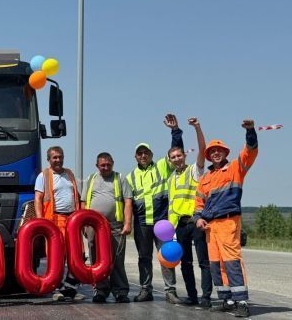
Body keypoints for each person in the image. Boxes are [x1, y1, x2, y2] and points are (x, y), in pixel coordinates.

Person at [194, 119, 258, 318]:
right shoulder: (204, 179)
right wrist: (198, 219)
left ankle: (242, 301)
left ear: (224, 153)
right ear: (209, 155)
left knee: (232, 261)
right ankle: (227, 299)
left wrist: (250, 131)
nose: (215, 153)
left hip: (229, 222)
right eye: (212, 151)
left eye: (219, 150)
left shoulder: (235, 169)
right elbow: (198, 204)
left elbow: (250, 152)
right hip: (210, 227)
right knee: (216, 263)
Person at [127, 113, 183, 303]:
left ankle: (170, 291)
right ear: (135, 156)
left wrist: (175, 131)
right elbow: (126, 203)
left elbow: (177, 152)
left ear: (151, 154)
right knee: (144, 258)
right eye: (140, 153)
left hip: (162, 223)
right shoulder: (130, 177)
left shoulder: (161, 166)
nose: (143, 156)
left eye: (146, 153)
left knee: (166, 256)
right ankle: (145, 290)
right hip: (142, 224)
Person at [167, 117, 212, 308]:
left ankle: (206, 297)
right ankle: (192, 296)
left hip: (196, 221)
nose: (177, 158)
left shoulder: (194, 171)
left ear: (184, 156)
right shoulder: (170, 179)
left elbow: (202, 150)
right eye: (173, 157)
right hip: (180, 226)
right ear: (170, 160)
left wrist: (197, 128)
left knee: (203, 261)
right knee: (185, 263)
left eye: (179, 155)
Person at [80, 152, 133, 304]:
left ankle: (120, 292)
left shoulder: (120, 178)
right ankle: (100, 291)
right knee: (96, 260)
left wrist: (128, 223)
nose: (105, 167)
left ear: (113, 163)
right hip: (93, 226)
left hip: (115, 226)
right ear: (97, 166)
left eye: (108, 164)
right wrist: (84, 224)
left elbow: (127, 201)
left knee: (117, 260)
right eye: (102, 165)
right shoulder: (90, 179)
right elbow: (83, 202)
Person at [34, 146, 84, 302]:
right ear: (49, 159)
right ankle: (54, 288)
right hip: (54, 221)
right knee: (57, 256)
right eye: (55, 157)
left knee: (77, 255)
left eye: (60, 157)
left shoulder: (69, 174)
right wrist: (41, 221)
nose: (58, 160)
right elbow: (38, 199)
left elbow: (77, 196)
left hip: (72, 221)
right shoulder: (44, 176)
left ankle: (70, 289)